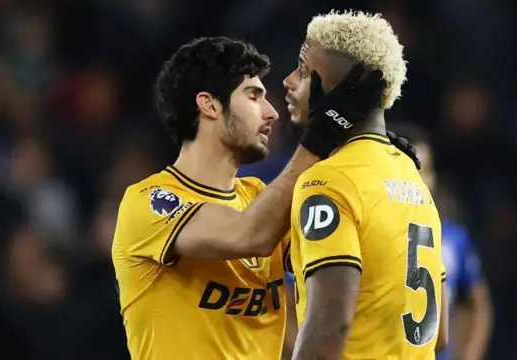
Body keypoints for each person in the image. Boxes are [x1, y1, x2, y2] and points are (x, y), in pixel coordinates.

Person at [111, 37, 387, 360]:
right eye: (254, 95)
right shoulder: (149, 202)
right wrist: (322, 135)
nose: (272, 113)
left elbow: (341, 257)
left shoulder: (256, 195)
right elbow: (249, 235)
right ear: (209, 104)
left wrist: (370, 150)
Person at [284, 11, 449, 359]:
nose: (288, 81)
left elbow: (331, 323)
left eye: (302, 70)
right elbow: (440, 334)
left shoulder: (328, 181)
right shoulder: (414, 178)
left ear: (334, 85)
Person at [395, 123, 494, 360]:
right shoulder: (365, 231)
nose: (420, 181)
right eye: (411, 171)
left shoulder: (452, 238)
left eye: (426, 171)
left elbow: (477, 305)